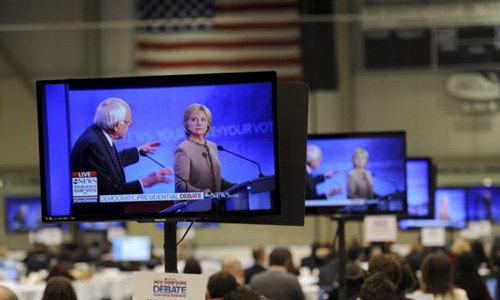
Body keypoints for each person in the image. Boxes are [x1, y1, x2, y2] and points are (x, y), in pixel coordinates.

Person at [70, 97, 173, 215]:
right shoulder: (92, 146)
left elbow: (106, 162)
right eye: (128, 122)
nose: (129, 126)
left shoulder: (96, 135)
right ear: (116, 125)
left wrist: (137, 152)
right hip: (95, 219)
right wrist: (146, 182)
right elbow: (105, 196)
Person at [174, 103, 234, 194]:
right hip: (194, 206)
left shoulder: (212, 146)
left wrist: (236, 187)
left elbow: (215, 179)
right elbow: (181, 185)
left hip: (216, 205)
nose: (199, 123)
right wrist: (201, 193)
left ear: (207, 125)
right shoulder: (183, 149)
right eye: (194, 119)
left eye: (203, 120)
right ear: (187, 125)